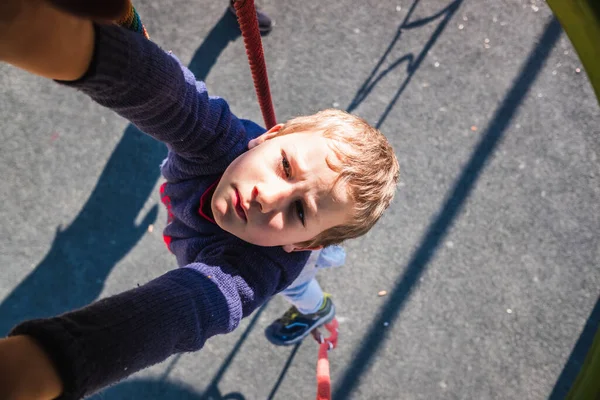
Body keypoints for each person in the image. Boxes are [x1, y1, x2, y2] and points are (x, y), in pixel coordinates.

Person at [0, 1, 400, 399]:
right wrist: (42, 33)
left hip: (290, 263)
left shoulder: (258, 269)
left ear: (302, 240)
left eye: (298, 210)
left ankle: (319, 310)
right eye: (284, 166)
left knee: (299, 283)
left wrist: (55, 361)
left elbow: (189, 309)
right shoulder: (221, 142)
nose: (268, 196)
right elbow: (165, 94)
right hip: (290, 237)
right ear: (267, 137)